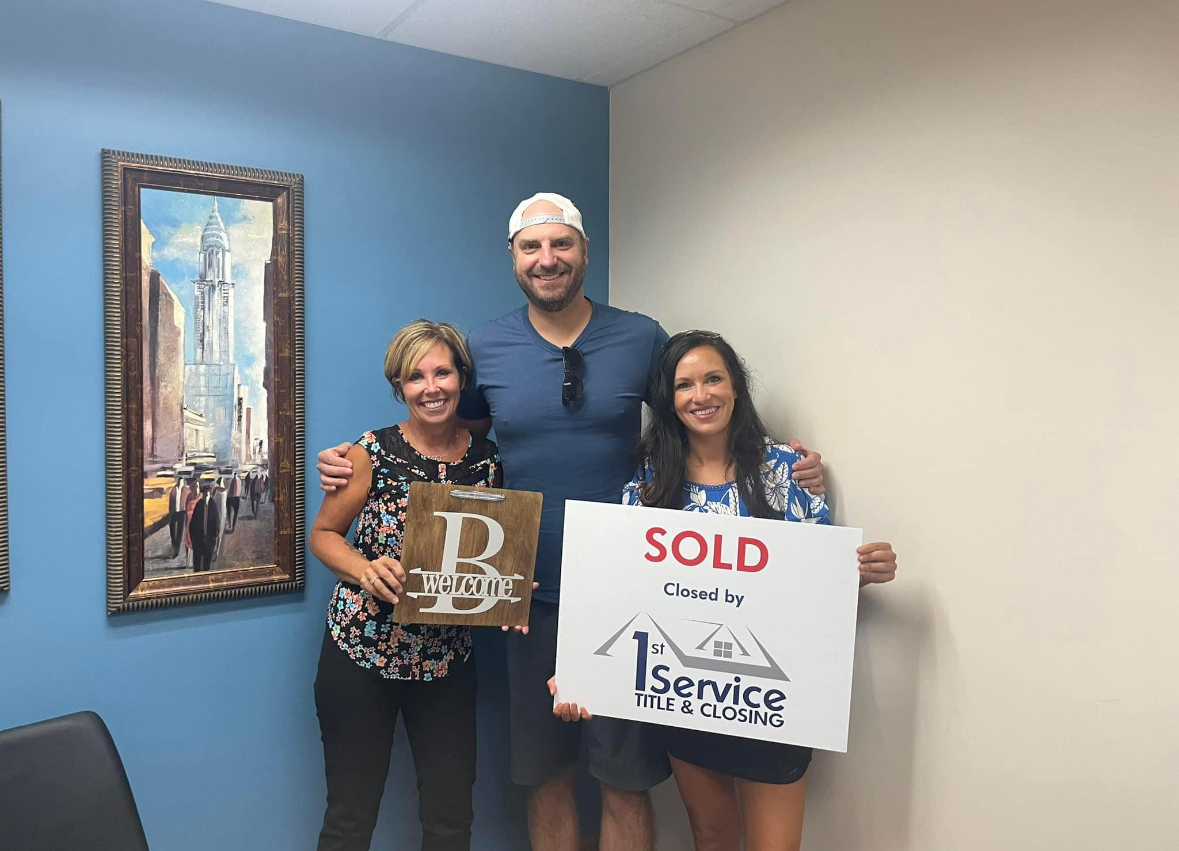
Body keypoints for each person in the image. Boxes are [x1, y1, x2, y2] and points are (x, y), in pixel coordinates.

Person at [315, 194, 826, 851]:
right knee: (546, 775)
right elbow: (450, 433)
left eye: (560, 244)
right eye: (531, 247)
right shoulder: (487, 346)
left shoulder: (641, 337)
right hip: (524, 599)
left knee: (624, 780)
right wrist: (352, 455)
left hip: (628, 596)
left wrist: (780, 462)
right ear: (513, 258)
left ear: (584, 250)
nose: (546, 259)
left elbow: (697, 414)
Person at [551, 330, 898, 851]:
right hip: (689, 696)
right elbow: (617, 591)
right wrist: (579, 668)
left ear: (737, 388)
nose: (701, 395)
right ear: (669, 400)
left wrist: (860, 572)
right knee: (711, 837)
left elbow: (815, 587)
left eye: (713, 378)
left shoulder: (785, 471)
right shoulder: (649, 483)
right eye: (684, 384)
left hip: (772, 700)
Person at [308, 320, 501, 851]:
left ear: (462, 378)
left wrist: (506, 594)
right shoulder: (372, 451)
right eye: (415, 377)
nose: (431, 387)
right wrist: (364, 568)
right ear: (400, 387)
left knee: (450, 819)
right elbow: (322, 536)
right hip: (360, 657)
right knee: (349, 818)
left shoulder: (487, 461)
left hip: (446, 662)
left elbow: (496, 557)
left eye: (442, 372)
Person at [189, 483, 221, 573]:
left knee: (207, 566)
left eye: (208, 493)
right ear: (202, 494)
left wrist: (215, 536)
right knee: (197, 566)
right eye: (204, 493)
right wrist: (193, 538)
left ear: (210, 494)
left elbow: (217, 522)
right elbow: (193, 523)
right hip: (198, 541)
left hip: (209, 540)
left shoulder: (213, 505)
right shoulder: (198, 505)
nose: (206, 495)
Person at [168, 474, 186, 557]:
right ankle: (174, 544)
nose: (180, 482)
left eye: (182, 481)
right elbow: (170, 502)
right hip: (174, 513)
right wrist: (170, 513)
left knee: (179, 531)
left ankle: (177, 549)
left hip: (182, 513)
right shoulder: (173, 489)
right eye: (179, 481)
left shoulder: (186, 490)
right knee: (172, 530)